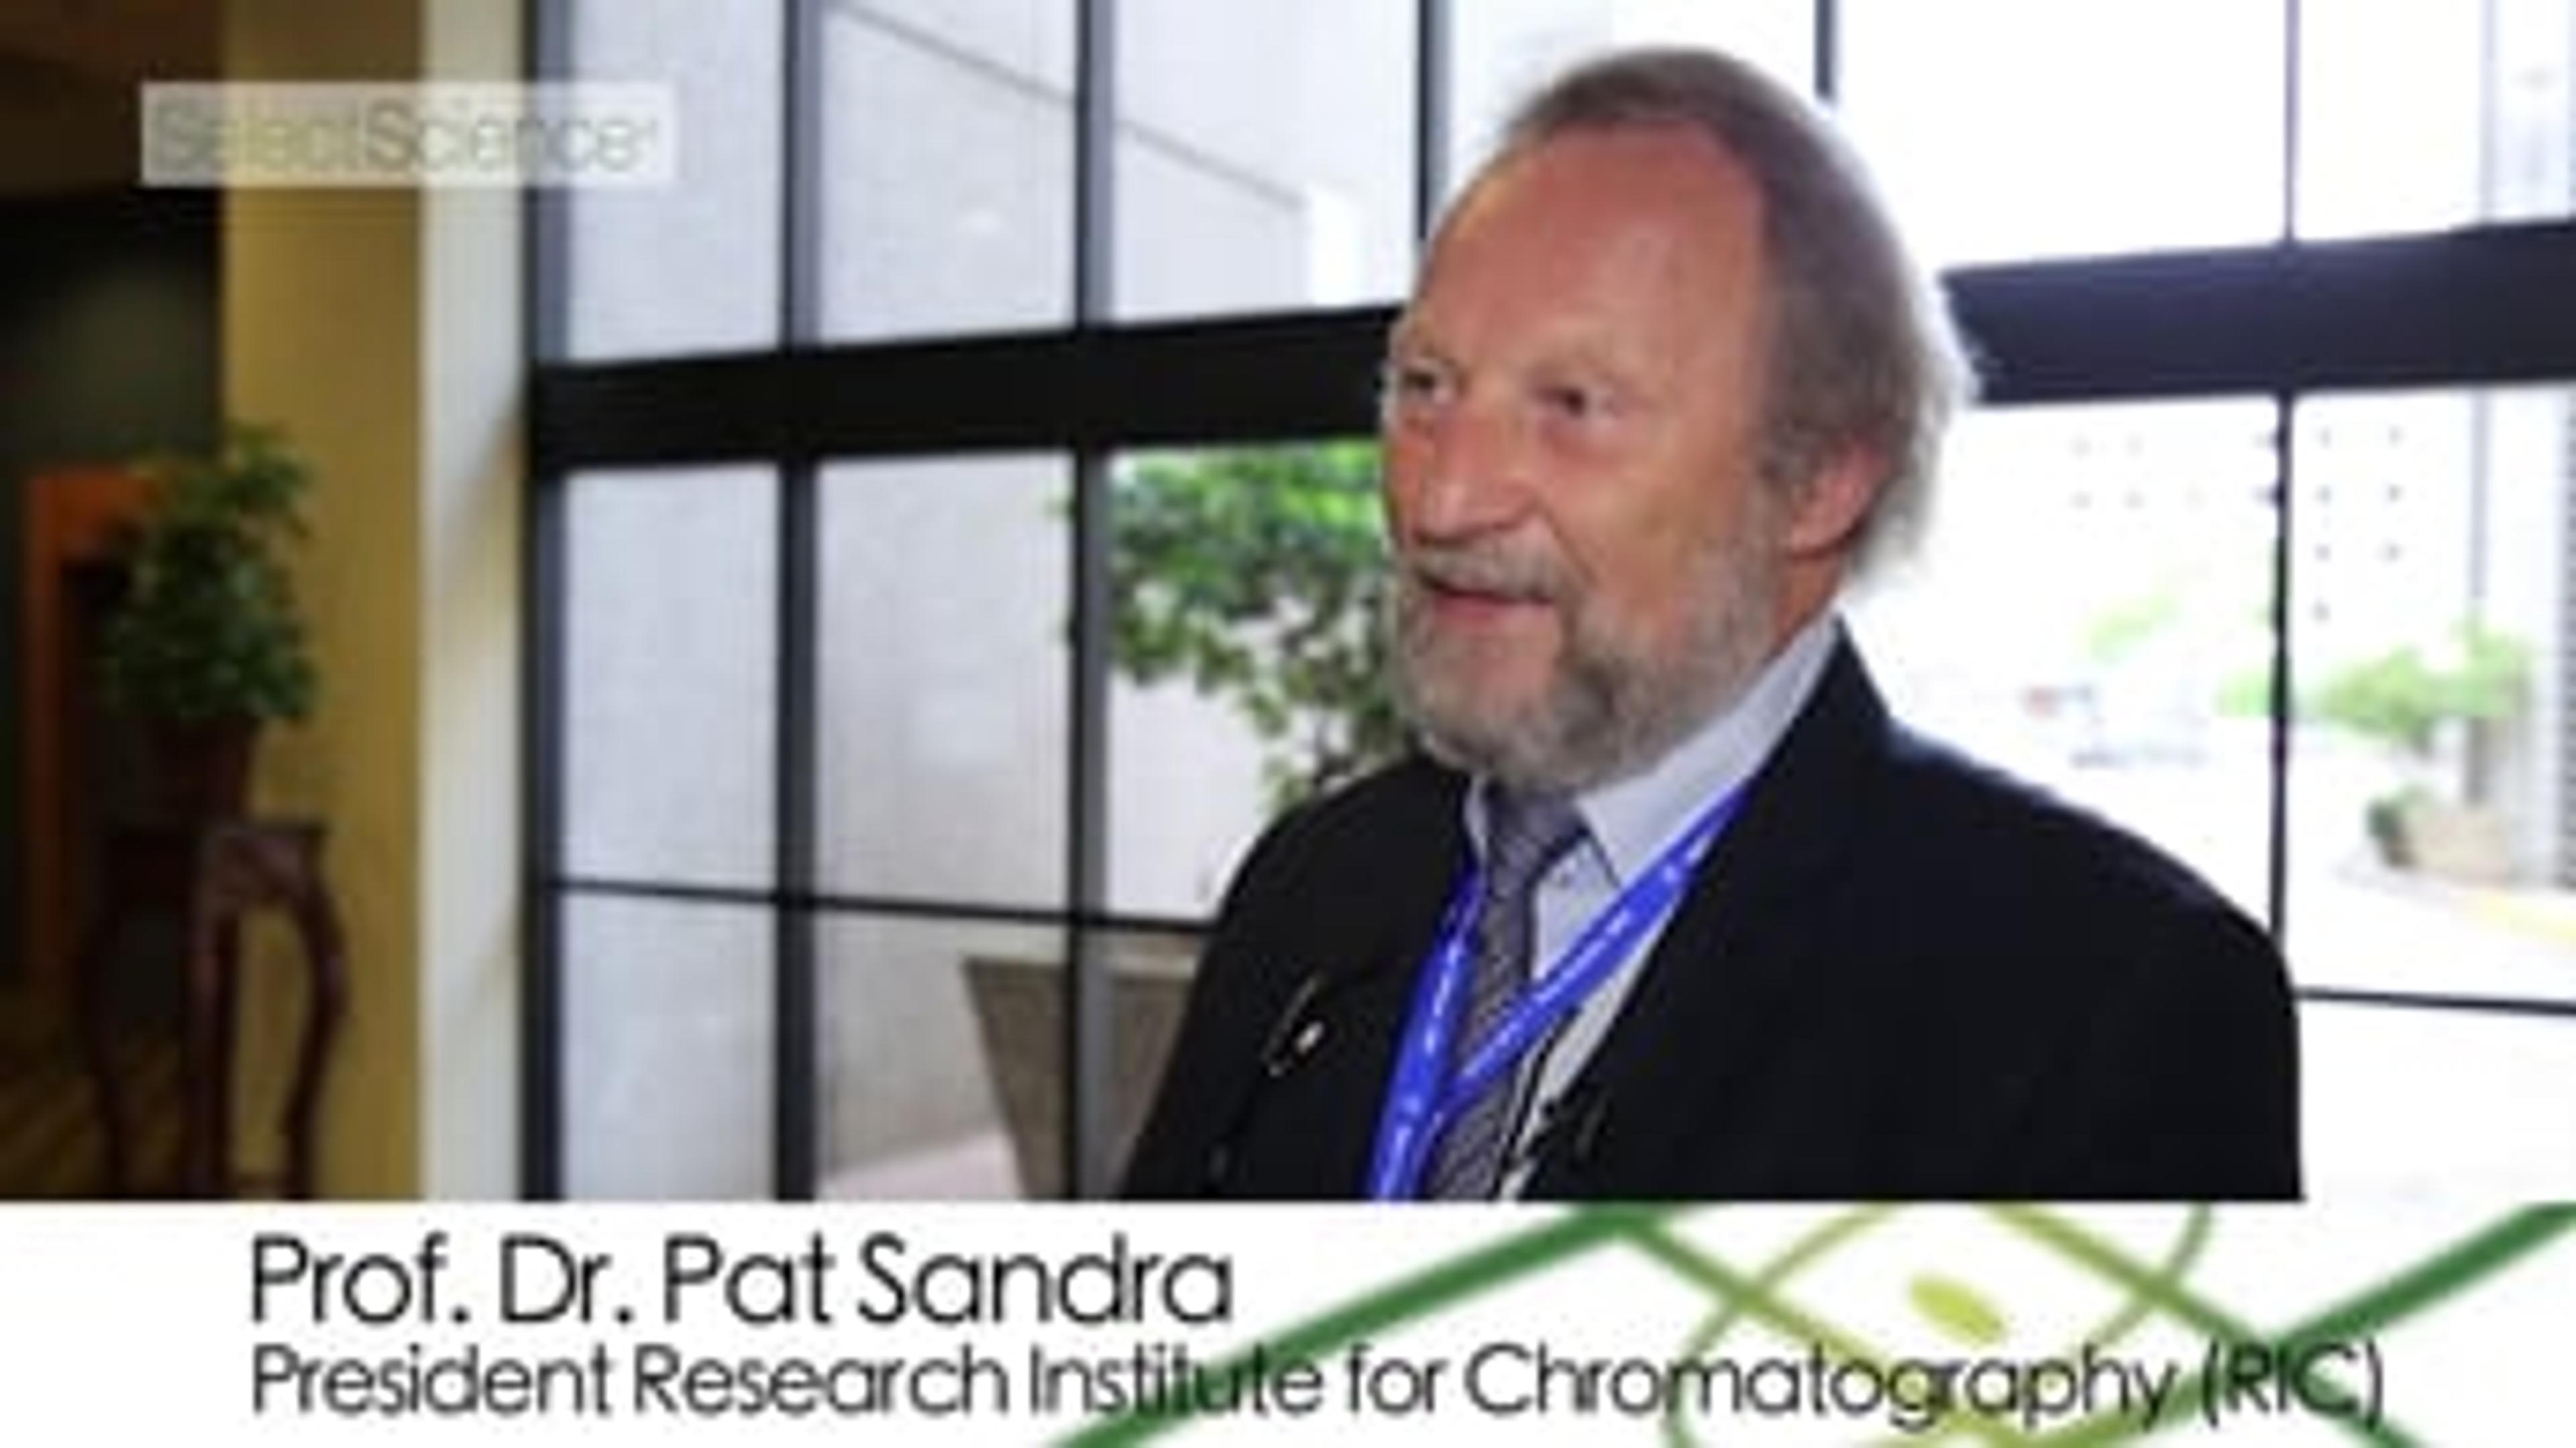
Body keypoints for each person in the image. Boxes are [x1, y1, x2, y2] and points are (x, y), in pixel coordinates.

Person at [1120, 47, 2299, 1201]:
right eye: (1425, 387)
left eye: (1572, 405)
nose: (1443, 498)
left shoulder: (2108, 1002)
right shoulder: (1313, 886)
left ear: (1819, 478)